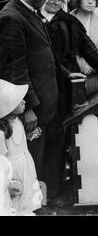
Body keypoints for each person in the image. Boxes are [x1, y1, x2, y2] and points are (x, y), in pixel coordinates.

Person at [0, 0, 86, 210]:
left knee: (51, 155)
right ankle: (38, 205)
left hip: (50, 102)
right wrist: (28, 108)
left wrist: (69, 76)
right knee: (35, 158)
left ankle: (51, 200)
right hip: (34, 107)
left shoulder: (29, 13)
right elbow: (15, 69)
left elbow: (45, 57)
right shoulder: (11, 18)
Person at [42, 0, 98, 110]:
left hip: (68, 78)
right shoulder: (35, 19)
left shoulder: (69, 20)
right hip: (43, 80)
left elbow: (87, 47)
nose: (56, 2)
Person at [0, 80, 42, 215]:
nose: (24, 102)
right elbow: (2, 159)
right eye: (19, 101)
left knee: (27, 199)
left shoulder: (18, 120)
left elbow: (21, 140)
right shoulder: (2, 132)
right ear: (8, 106)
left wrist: (32, 135)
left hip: (25, 165)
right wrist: (8, 181)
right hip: (14, 171)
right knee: (15, 201)